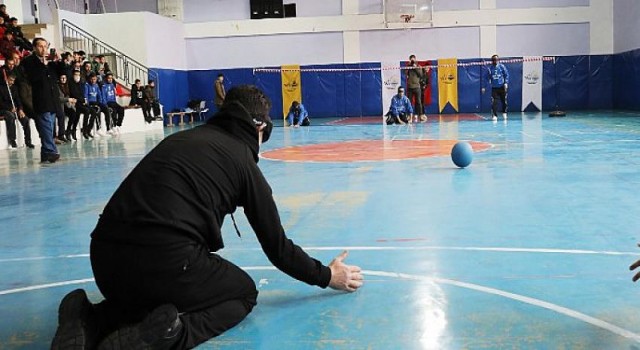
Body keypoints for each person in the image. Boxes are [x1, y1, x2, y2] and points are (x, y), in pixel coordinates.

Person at [51, 85, 363, 350]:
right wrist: (327, 276)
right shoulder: (244, 164)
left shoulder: (180, 140)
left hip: (104, 261)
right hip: (164, 261)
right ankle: (171, 335)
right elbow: (278, 248)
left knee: (147, 290)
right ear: (259, 128)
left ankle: (89, 320)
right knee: (243, 292)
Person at [22, 37, 61, 163]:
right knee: (46, 128)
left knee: (49, 126)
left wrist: (59, 62)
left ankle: (45, 153)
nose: (43, 49)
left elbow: (61, 74)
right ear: (34, 47)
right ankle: (51, 151)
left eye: (45, 46)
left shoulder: (49, 62)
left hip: (52, 99)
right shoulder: (29, 62)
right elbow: (34, 78)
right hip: (40, 100)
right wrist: (43, 65)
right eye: (40, 46)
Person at [0, 73, 32, 148]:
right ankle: (12, 140)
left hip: (15, 109)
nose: (12, 82)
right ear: (6, 79)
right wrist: (10, 108)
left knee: (26, 119)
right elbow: (0, 103)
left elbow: (18, 100)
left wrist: (20, 109)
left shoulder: (14, 88)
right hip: (3, 109)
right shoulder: (1, 88)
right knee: (11, 117)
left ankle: (28, 141)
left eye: (13, 80)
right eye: (10, 80)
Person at [69, 70, 94, 140]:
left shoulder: (81, 83)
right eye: (75, 74)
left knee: (94, 111)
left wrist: (84, 100)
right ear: (73, 75)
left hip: (81, 102)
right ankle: (74, 130)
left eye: (78, 75)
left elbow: (82, 93)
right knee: (85, 111)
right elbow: (74, 94)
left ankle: (87, 129)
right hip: (75, 103)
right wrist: (83, 100)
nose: (77, 76)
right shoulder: (70, 83)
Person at [484, 54, 509, 122]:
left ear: (498, 60)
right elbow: (486, 78)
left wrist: (506, 83)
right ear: (492, 61)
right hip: (494, 88)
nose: (495, 61)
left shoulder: (502, 67)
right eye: (494, 60)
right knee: (495, 102)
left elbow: (506, 75)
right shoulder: (490, 69)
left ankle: (504, 112)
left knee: (504, 101)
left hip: (502, 87)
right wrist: (484, 87)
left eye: (497, 60)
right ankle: (494, 115)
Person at [407, 54, 427, 122]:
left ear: (415, 59)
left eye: (413, 59)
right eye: (411, 59)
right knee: (409, 102)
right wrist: (409, 66)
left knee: (418, 102)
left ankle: (421, 116)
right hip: (410, 87)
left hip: (417, 87)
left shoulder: (419, 66)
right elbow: (405, 73)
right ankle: (409, 116)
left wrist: (415, 67)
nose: (412, 61)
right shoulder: (408, 67)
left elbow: (420, 75)